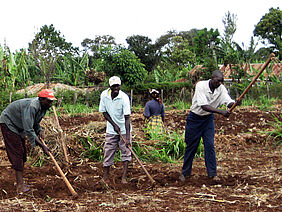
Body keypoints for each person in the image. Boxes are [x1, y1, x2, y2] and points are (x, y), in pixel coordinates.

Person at [180, 70, 241, 182]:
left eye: (222, 81)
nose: (220, 83)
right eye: (218, 81)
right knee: (192, 146)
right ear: (212, 78)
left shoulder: (221, 88)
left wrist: (235, 103)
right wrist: (222, 112)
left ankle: (212, 174)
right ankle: (185, 173)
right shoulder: (201, 86)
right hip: (195, 118)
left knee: (209, 145)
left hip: (208, 119)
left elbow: (227, 101)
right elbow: (204, 106)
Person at [0, 89, 56, 193]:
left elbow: (35, 123)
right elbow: (29, 129)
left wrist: (39, 130)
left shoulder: (44, 108)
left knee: (23, 153)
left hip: (18, 125)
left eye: (51, 101)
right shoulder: (32, 106)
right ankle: (20, 186)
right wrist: (42, 146)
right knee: (17, 152)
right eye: (48, 101)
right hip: (9, 123)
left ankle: (20, 182)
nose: (50, 103)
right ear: (41, 99)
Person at [99, 76, 132, 184]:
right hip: (111, 129)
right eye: (114, 86)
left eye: (118, 85)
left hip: (124, 128)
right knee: (108, 150)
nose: (116, 88)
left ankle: (124, 177)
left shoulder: (124, 98)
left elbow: (127, 117)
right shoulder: (104, 95)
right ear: (110, 86)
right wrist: (113, 124)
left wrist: (127, 137)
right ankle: (105, 176)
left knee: (126, 152)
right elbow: (104, 112)